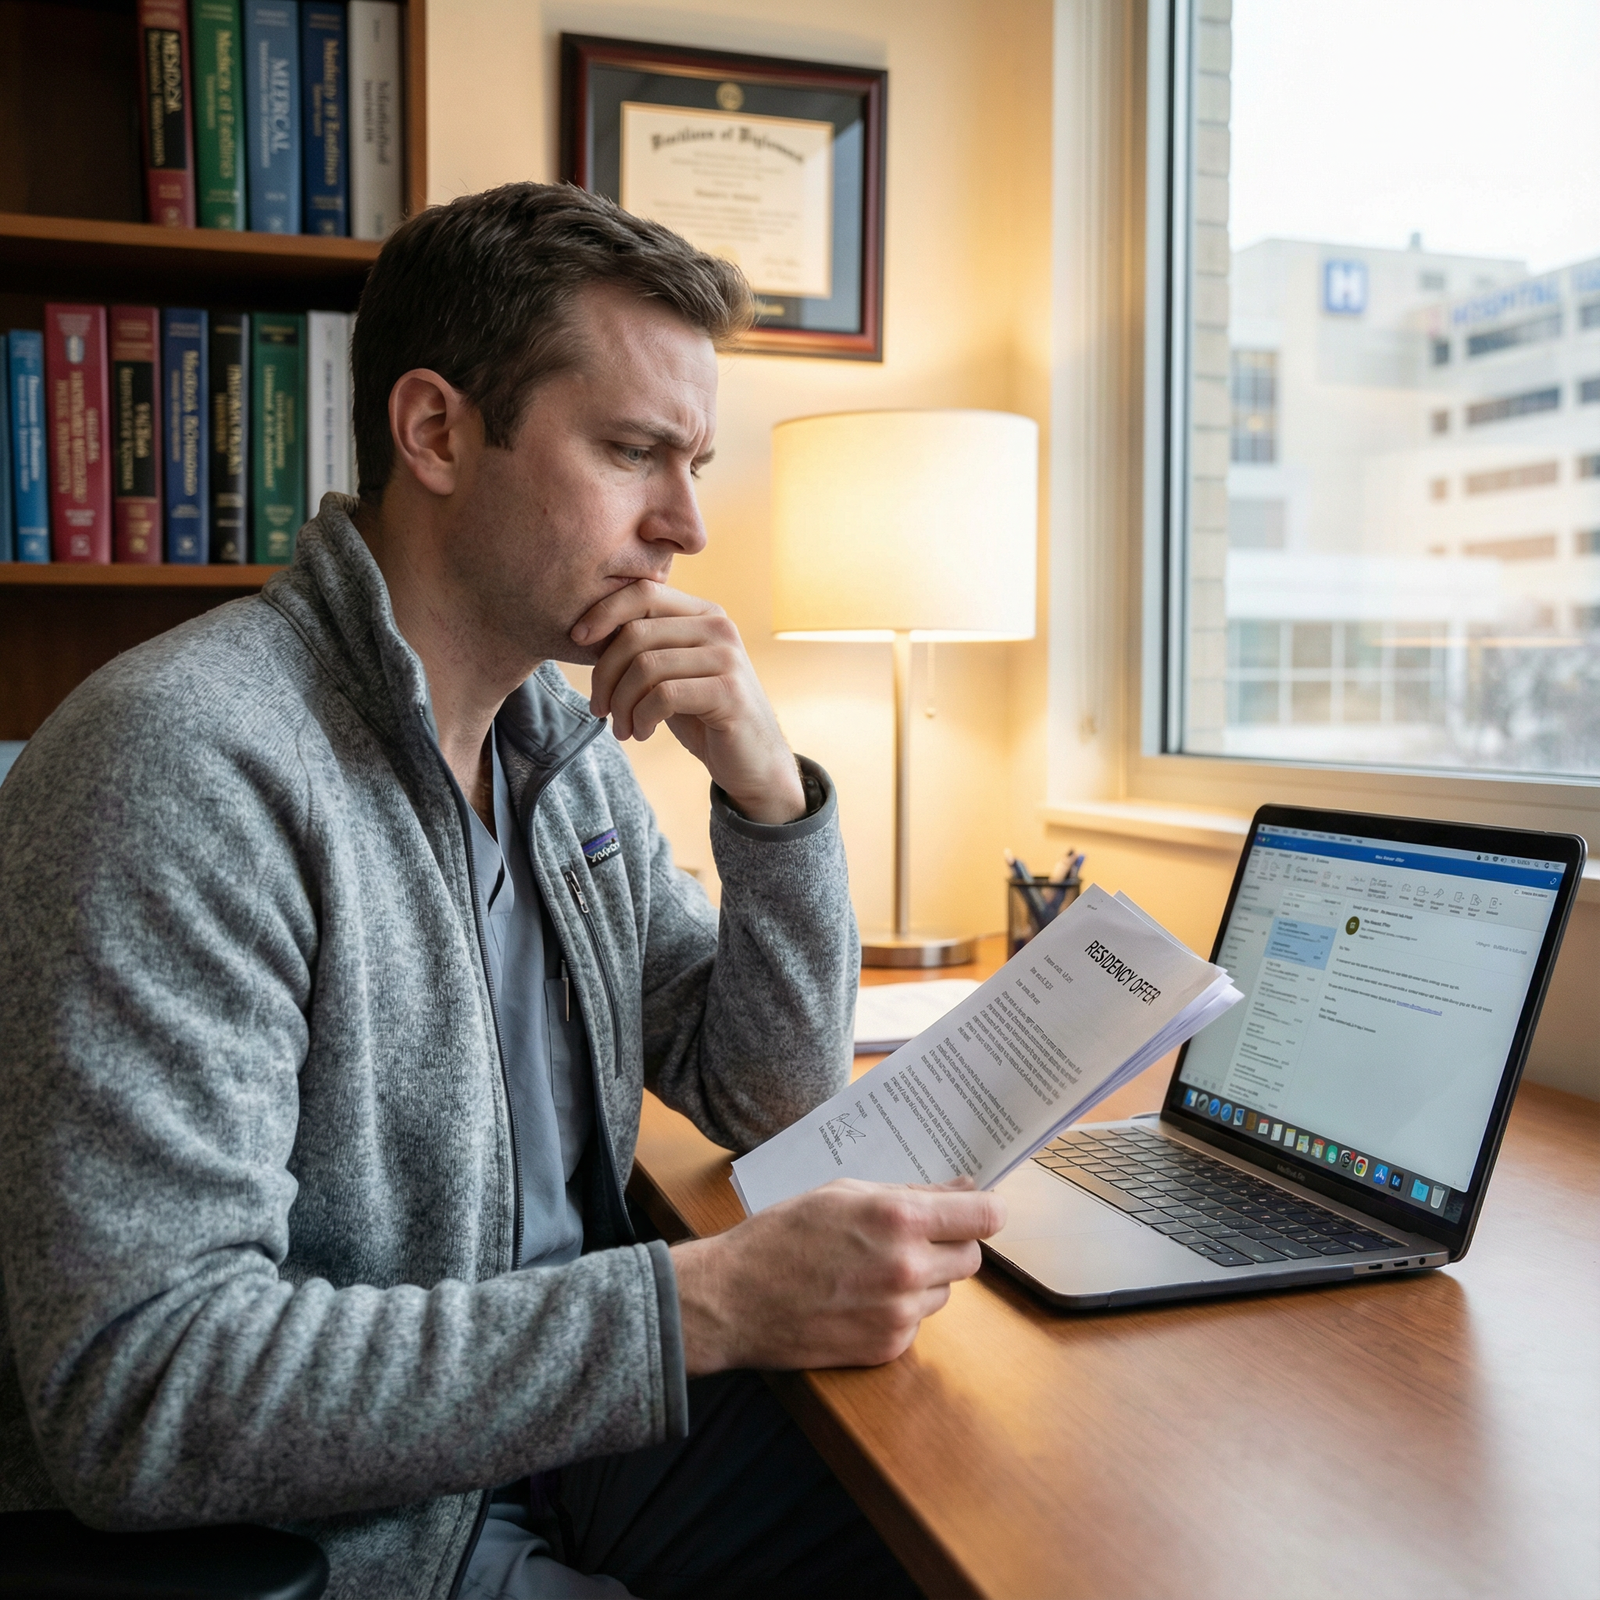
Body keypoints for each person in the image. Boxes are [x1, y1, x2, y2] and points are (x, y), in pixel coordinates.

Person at [0, 183, 1004, 1598]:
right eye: (633, 451)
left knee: (1002, 1534)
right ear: (436, 432)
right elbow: (143, 1391)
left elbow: (770, 1095)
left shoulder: (561, 752)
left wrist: (770, 797)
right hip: (369, 1528)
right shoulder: (183, 766)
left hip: (560, 1434)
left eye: (695, 459)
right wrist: (696, 1305)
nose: (688, 525)